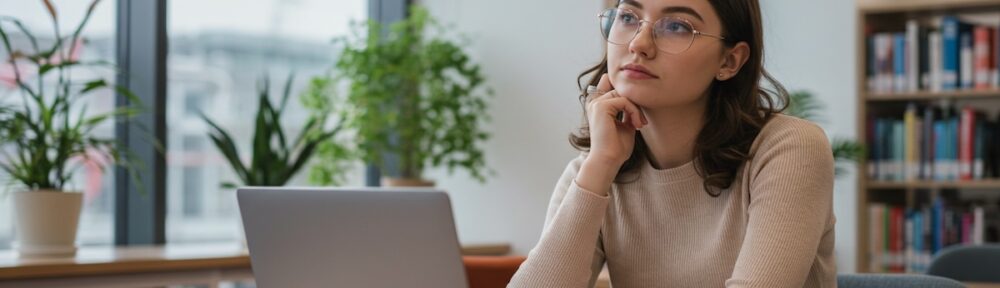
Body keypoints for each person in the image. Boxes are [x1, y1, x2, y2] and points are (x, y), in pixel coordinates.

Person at [507, 0, 837, 287]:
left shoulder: (788, 149)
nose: (639, 44)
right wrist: (602, 164)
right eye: (627, 17)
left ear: (729, 61)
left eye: (677, 26)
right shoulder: (593, 171)